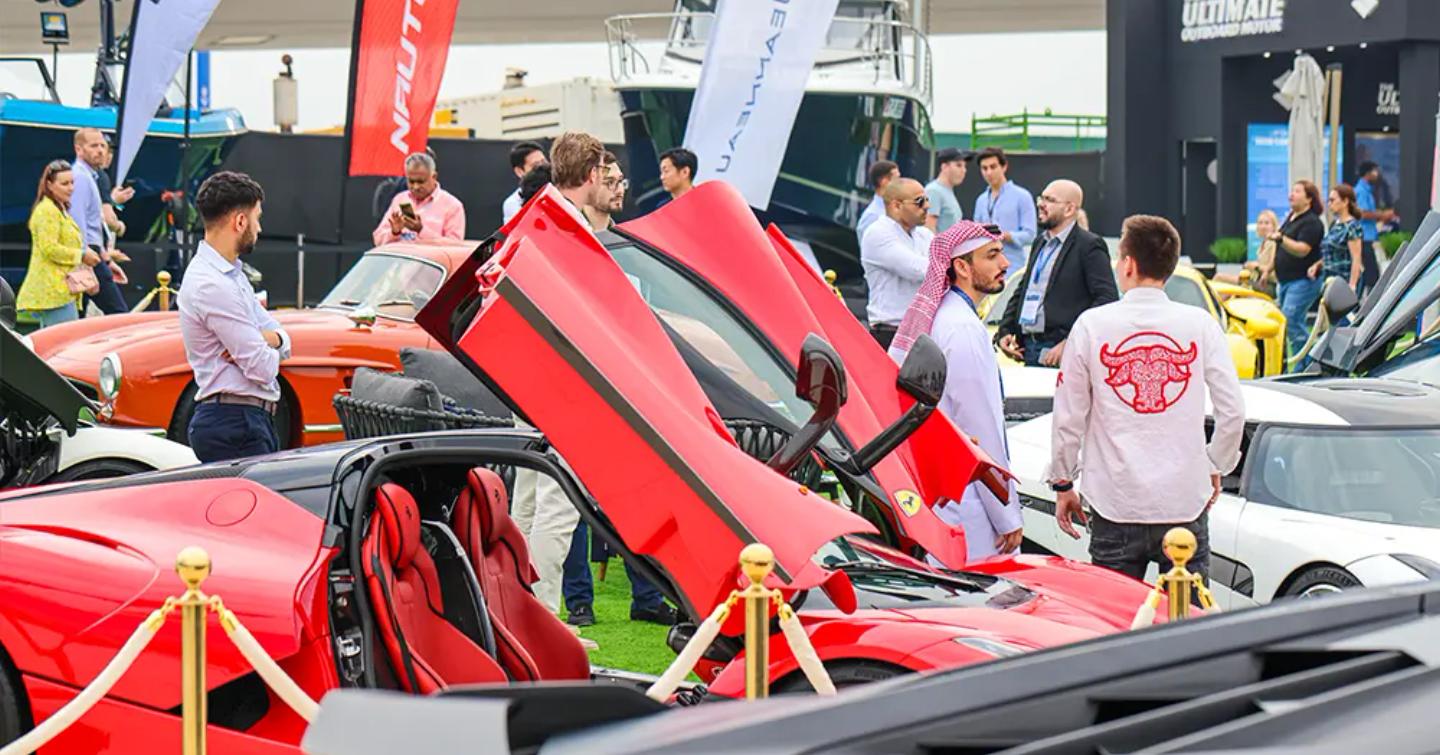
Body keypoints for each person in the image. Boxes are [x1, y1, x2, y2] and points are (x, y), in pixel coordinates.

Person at [1048, 214, 1245, 584]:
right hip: (1184, 501)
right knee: (1186, 622)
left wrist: (1063, 482)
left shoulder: (1092, 325)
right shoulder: (1200, 324)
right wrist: (1214, 463)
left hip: (1115, 502)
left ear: (1128, 264)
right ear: (1170, 266)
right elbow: (1232, 411)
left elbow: (1069, 415)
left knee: (1117, 624)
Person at [888, 221, 1022, 560]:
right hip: (970, 506)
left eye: (1002, 254)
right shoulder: (960, 327)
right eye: (991, 255)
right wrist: (1007, 515)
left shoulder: (950, 315)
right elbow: (981, 428)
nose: (1004, 264)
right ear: (961, 266)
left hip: (948, 495)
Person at [178, 171, 291, 463]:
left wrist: (269, 338)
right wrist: (268, 344)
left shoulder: (230, 274)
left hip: (242, 420)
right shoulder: (213, 284)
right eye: (257, 218)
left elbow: (280, 337)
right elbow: (264, 368)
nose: (259, 228)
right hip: (235, 424)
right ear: (240, 222)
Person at [995, 180, 1119, 367]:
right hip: (1028, 347)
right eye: (1041, 198)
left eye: (1050, 200)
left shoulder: (1089, 246)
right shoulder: (1040, 242)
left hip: (1062, 351)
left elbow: (1106, 300)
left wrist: (1071, 341)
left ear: (1069, 209)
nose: (1040, 204)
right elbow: (1024, 289)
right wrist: (1005, 330)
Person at [17, 160, 95, 328]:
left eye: (72, 182)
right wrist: (81, 255)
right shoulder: (47, 211)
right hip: (53, 292)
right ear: (49, 185)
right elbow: (49, 248)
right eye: (64, 183)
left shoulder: (60, 209)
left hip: (63, 291)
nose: (71, 188)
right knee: (65, 344)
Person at [861, 178, 935, 348]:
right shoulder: (877, 233)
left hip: (922, 332)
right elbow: (918, 270)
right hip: (890, 333)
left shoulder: (924, 235)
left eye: (927, 199)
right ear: (896, 206)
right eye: (919, 201)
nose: (926, 206)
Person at [69, 128, 128, 314]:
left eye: (103, 146)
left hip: (92, 252)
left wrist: (104, 255)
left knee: (80, 311)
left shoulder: (90, 177)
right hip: (87, 253)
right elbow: (78, 221)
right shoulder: (80, 177)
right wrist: (86, 257)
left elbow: (93, 223)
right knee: (118, 313)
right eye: (94, 146)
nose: (101, 150)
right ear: (79, 150)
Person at [1271, 180, 1326, 362]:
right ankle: (1297, 361)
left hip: (1303, 280)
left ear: (1309, 199)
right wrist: (1268, 270)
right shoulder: (1291, 218)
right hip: (1285, 280)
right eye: (1292, 190)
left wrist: (1281, 239)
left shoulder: (1312, 222)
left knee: (1291, 320)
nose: (1291, 195)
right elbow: (1281, 251)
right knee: (1287, 323)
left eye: (1297, 191)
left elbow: (1303, 250)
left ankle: (1308, 362)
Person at [372, 151, 466, 246]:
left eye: (420, 182)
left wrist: (421, 230)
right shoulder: (400, 199)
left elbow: (455, 247)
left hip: (429, 260)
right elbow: (378, 239)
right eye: (411, 182)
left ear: (434, 177)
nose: (416, 187)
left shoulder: (452, 206)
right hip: (399, 259)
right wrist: (394, 232)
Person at [971, 147, 1037, 271]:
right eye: (984, 168)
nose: (989, 172)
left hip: (1013, 268)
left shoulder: (1022, 196)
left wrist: (1006, 236)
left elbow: (1030, 235)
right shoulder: (981, 200)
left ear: (1004, 167)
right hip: (986, 269)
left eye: (993, 167)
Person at [1310, 184, 1364, 294]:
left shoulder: (1352, 226)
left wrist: (1352, 285)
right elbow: (1332, 252)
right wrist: (1317, 265)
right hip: (1329, 279)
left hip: (1344, 280)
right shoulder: (1335, 224)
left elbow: (1356, 258)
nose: (1329, 204)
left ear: (1345, 202)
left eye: (1332, 200)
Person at [1354, 162, 1394, 297]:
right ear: (1368, 173)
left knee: (1370, 275)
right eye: (1375, 171)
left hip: (1368, 236)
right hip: (1364, 237)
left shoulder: (1368, 190)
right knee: (1371, 275)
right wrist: (1382, 215)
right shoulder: (1361, 191)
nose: (1377, 174)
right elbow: (1362, 213)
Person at [924, 148, 969, 233]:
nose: (964, 170)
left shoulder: (948, 191)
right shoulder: (933, 191)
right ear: (944, 167)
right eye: (959, 165)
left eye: (965, 166)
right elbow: (928, 229)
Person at [502, 141, 547, 223]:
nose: (543, 168)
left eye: (544, 162)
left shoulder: (559, 189)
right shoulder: (513, 203)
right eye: (536, 166)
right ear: (519, 171)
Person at [856, 160, 899, 242]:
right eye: (897, 179)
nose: (901, 183)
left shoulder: (894, 209)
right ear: (884, 182)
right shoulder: (872, 216)